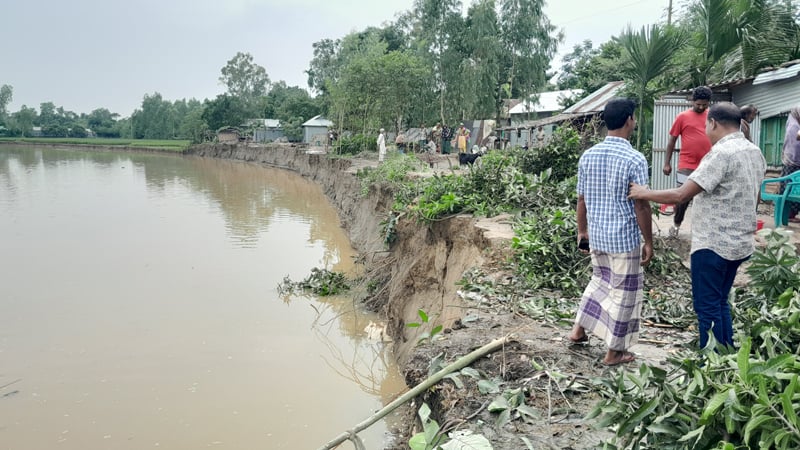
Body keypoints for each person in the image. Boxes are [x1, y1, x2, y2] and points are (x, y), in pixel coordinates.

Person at [629, 102, 766, 349]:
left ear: (713, 122)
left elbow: (682, 195)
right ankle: (726, 353)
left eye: (706, 125)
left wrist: (644, 192)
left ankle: (711, 359)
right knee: (719, 301)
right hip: (740, 242)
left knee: (707, 305)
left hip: (714, 243)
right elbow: (756, 195)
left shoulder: (720, 154)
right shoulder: (754, 151)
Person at [568, 97, 653, 367]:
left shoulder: (588, 155)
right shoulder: (634, 158)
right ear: (629, 119)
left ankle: (578, 330)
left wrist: (583, 231)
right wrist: (648, 241)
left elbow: (581, 199)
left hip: (598, 236)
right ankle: (615, 352)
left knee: (599, 283)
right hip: (624, 238)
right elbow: (641, 204)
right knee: (625, 294)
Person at [663, 86, 713, 237]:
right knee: (682, 196)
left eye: (704, 104)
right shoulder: (682, 117)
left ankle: (702, 230)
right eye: (698, 104)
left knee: (706, 197)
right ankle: (676, 225)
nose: (701, 107)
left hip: (708, 164)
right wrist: (667, 163)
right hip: (686, 164)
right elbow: (672, 141)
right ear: (692, 101)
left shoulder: (712, 116)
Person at [780, 107, 800, 221]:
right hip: (792, 161)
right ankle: (788, 214)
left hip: (792, 161)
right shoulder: (794, 127)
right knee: (790, 187)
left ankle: (791, 213)